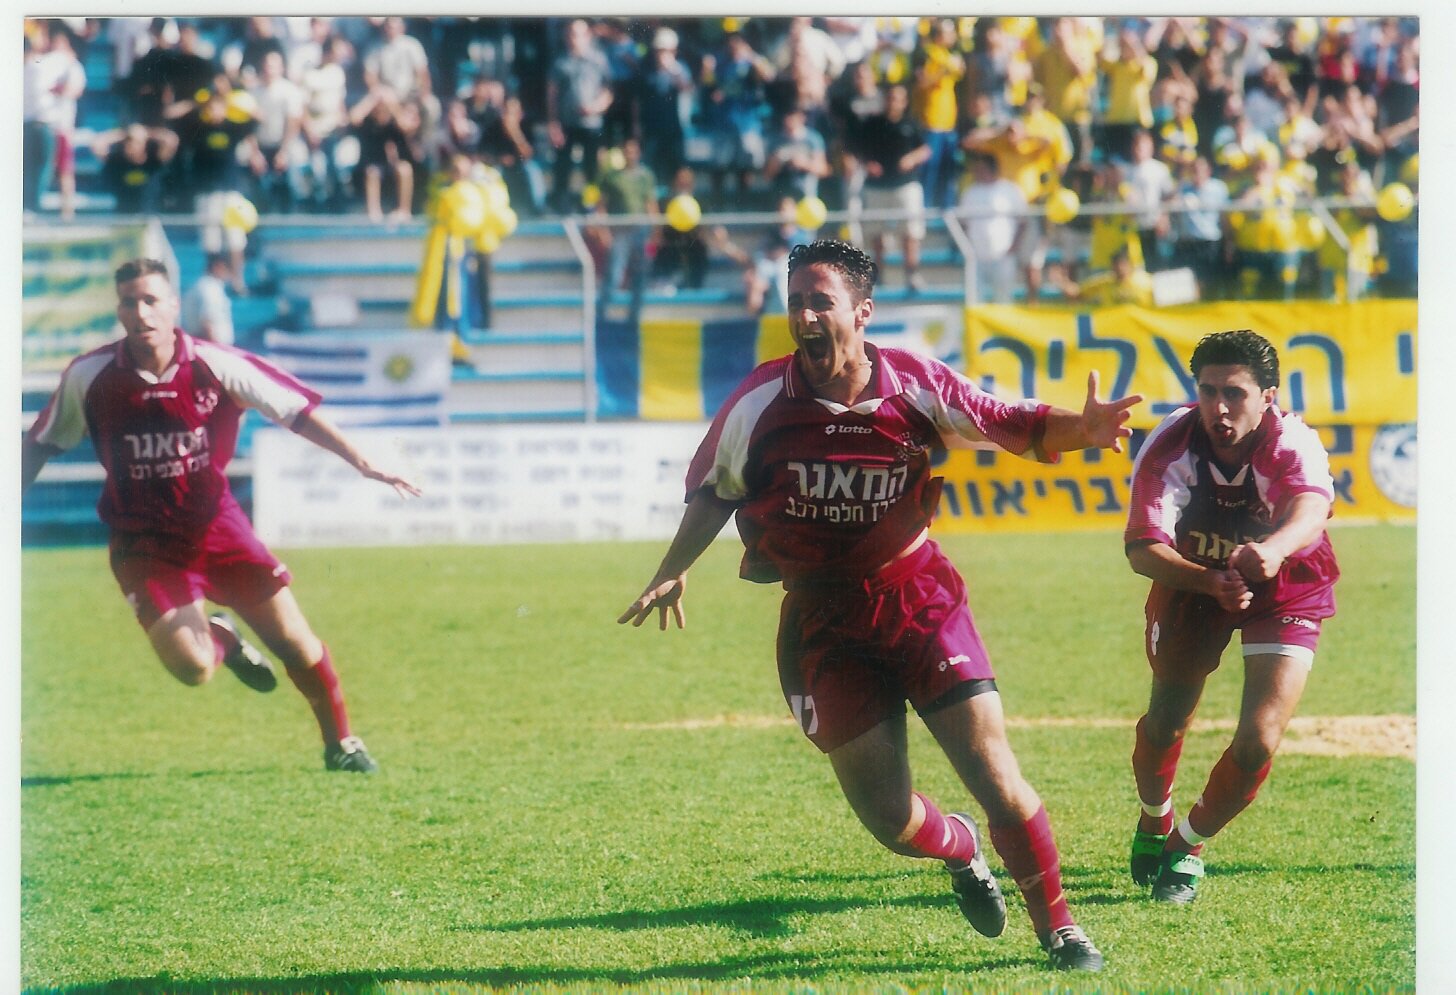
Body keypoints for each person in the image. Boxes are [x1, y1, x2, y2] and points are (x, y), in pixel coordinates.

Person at [619, 239, 1142, 972]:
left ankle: (1060, 928)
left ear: (862, 312)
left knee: (995, 773)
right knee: (890, 820)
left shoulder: (913, 384)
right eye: (795, 301)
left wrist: (1081, 429)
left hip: (917, 598)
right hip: (822, 621)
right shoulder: (760, 401)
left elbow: (1006, 420)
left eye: (821, 301)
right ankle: (960, 846)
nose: (805, 315)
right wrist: (673, 570)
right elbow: (717, 491)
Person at [20, 259, 422, 773]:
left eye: (151, 300)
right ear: (118, 310)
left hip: (218, 529)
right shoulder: (90, 376)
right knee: (192, 668)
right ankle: (223, 640)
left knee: (296, 644)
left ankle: (341, 743)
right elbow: (40, 444)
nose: (141, 312)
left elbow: (296, 412)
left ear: (173, 305)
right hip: (144, 545)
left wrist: (362, 461)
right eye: (129, 302)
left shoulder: (216, 364)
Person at [1124, 329, 1339, 904]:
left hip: (1285, 580)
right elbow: (1142, 548)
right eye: (1208, 391)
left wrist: (1272, 550)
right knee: (1166, 723)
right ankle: (1154, 816)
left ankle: (1186, 845)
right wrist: (1207, 580)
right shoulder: (1171, 441)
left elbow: (1312, 508)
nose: (1218, 407)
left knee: (1259, 740)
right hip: (1195, 579)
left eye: (1235, 393)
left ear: (1268, 396)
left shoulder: (1291, 441)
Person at [181, 252, 235, 345]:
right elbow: (207, 323)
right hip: (211, 346)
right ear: (218, 266)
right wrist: (215, 348)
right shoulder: (210, 289)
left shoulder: (202, 285)